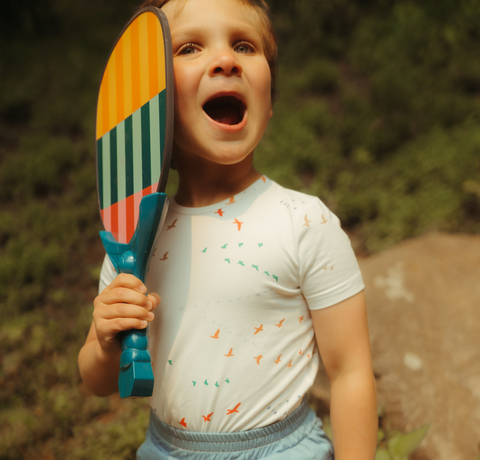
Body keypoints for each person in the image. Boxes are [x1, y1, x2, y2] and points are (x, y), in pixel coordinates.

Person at [78, 0, 378, 458]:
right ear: (149, 105)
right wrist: (103, 340)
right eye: (190, 47)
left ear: (270, 98)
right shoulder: (133, 235)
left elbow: (351, 371)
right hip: (166, 449)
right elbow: (97, 382)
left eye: (244, 45)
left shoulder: (303, 222)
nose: (225, 59)